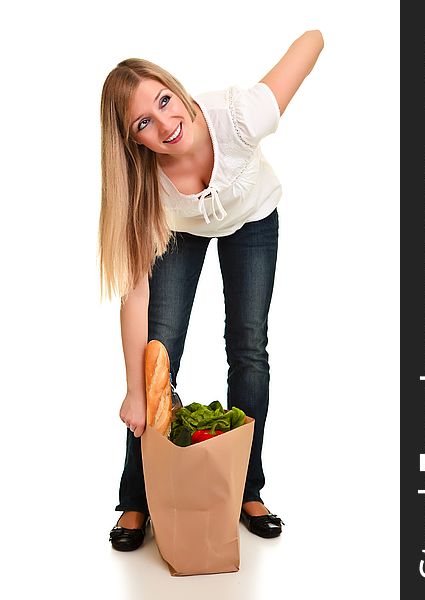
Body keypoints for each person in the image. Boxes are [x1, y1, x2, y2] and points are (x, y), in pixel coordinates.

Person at [99, 30, 324, 551]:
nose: (165, 124)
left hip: (252, 219)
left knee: (248, 347)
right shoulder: (142, 187)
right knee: (160, 353)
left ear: (177, 90)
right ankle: (136, 498)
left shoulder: (240, 117)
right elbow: (133, 297)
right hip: (179, 229)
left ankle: (247, 490)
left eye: (164, 101)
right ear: (133, 140)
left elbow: (311, 40)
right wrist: (135, 390)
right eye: (143, 124)